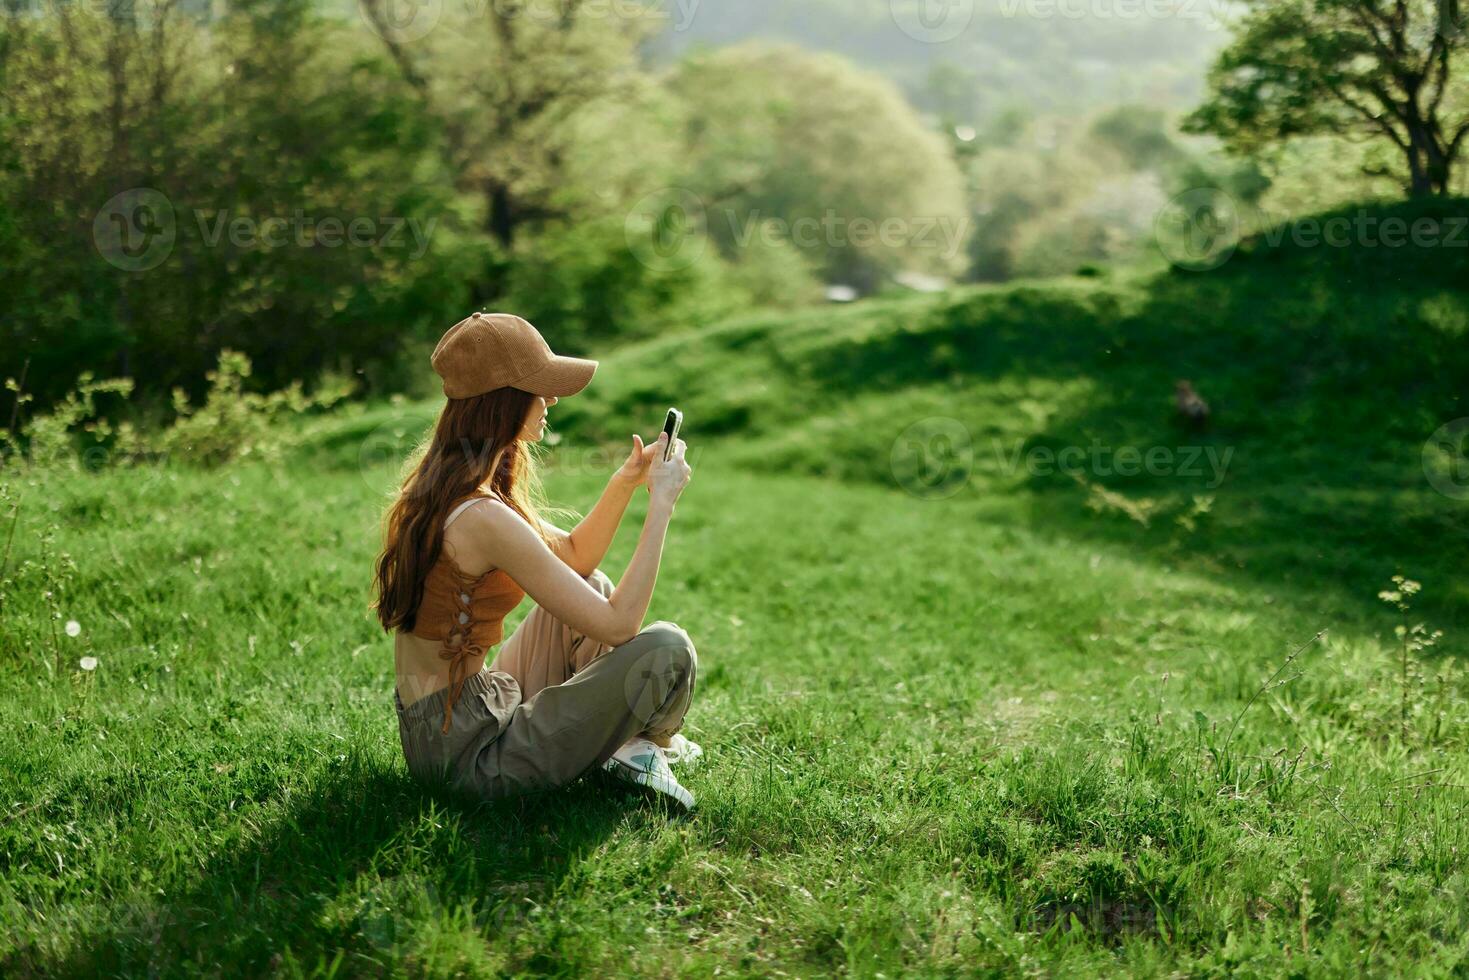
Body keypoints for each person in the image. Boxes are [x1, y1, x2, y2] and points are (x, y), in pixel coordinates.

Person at [371, 312, 701, 809]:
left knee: (589, 580)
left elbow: (573, 556)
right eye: (541, 388)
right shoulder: (481, 516)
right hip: (470, 757)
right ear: (504, 401)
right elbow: (618, 625)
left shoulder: (453, 488)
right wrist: (661, 506)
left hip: (457, 718)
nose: (550, 400)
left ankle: (629, 748)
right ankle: (639, 745)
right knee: (667, 649)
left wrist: (626, 482)